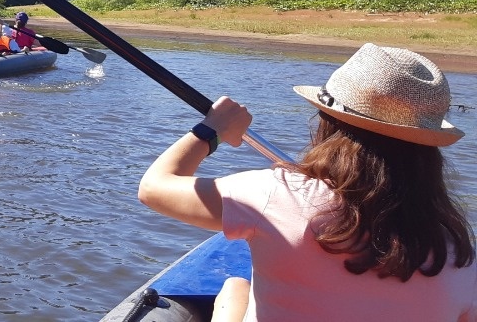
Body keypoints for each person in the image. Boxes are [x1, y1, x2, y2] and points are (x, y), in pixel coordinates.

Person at [137, 43, 476, 321]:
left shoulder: (274, 194)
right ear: (427, 152)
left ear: (328, 123)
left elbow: (154, 188)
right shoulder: (458, 251)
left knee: (234, 289)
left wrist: (212, 131)